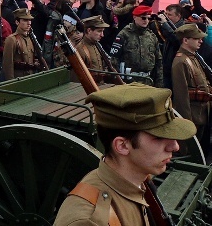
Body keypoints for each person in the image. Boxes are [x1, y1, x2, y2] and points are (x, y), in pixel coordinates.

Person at [54, 83, 196, 225]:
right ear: (122, 146)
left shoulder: (135, 181)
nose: (175, 146)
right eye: (158, 137)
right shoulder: (90, 221)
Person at [171, 23, 211, 153]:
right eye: (196, 38)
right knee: (188, 153)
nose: (201, 40)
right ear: (186, 40)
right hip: (192, 117)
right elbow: (181, 96)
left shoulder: (192, 58)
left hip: (201, 114)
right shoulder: (181, 61)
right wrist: (186, 124)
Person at [110, 5, 163, 87]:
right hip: (128, 81)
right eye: (143, 18)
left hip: (147, 81)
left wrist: (159, 83)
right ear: (135, 17)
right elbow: (114, 59)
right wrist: (117, 81)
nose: (146, 21)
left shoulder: (152, 36)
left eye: (148, 18)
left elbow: (158, 61)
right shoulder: (124, 34)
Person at [2, 8, 40, 80]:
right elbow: (8, 65)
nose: (29, 23)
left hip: (31, 77)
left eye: (30, 20)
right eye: (25, 20)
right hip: (19, 78)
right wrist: (11, 83)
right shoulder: (11, 39)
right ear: (17, 22)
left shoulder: (31, 38)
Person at [75, 15, 110, 85]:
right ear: (89, 30)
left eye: (103, 31)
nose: (102, 35)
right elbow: (77, 77)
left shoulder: (97, 45)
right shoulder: (80, 49)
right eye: (99, 31)